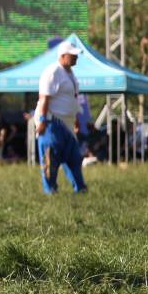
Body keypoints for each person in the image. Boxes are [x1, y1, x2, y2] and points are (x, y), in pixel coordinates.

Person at [34, 40, 88, 194]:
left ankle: (80, 188)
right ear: (63, 56)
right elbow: (44, 98)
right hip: (52, 123)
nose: (76, 58)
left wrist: (76, 118)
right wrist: (43, 121)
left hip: (67, 124)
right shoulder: (52, 72)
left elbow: (72, 99)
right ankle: (50, 190)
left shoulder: (70, 74)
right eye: (73, 55)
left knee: (74, 159)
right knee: (51, 158)